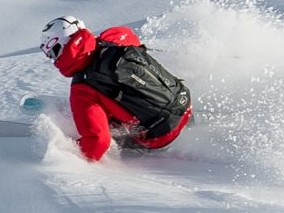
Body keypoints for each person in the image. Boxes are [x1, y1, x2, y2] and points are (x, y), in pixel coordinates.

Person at [39, 15, 192, 161]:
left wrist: (67, 151)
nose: (53, 59)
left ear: (59, 47)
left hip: (161, 136)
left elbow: (98, 142)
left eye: (51, 54)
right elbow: (130, 37)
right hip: (183, 100)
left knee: (108, 124)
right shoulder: (114, 36)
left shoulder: (81, 89)